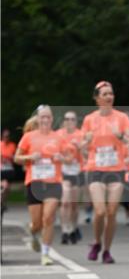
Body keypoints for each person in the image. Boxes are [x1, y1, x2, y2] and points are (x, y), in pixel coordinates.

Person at [81, 81, 129, 263]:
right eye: (104, 94)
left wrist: (119, 135)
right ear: (97, 98)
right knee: (100, 210)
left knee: (112, 212)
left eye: (111, 93)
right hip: (95, 168)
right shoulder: (89, 119)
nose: (109, 97)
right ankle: (96, 241)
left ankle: (106, 250)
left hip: (116, 170)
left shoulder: (121, 118)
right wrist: (85, 142)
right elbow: (82, 148)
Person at [14, 106, 69, 265]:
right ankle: (33, 233)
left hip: (53, 183)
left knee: (49, 217)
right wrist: (31, 156)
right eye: (42, 117)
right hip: (35, 183)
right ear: (38, 119)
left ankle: (45, 253)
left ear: (52, 119)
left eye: (48, 117)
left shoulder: (58, 137)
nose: (45, 120)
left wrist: (62, 158)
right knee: (37, 223)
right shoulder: (29, 137)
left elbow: (70, 157)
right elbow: (17, 158)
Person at [58, 111, 84, 243]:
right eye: (67, 119)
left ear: (76, 121)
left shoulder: (81, 135)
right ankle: (64, 230)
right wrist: (62, 158)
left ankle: (74, 228)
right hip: (63, 172)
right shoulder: (58, 135)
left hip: (77, 171)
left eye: (72, 119)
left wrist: (80, 148)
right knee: (65, 202)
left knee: (74, 204)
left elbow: (87, 154)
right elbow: (53, 152)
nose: (69, 121)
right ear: (63, 121)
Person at [1, 128, 18, 215]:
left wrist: (9, 158)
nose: (6, 138)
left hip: (10, 169)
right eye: (4, 136)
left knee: (7, 189)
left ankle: (3, 202)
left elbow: (15, 158)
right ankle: (1, 202)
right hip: (1, 169)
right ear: (2, 137)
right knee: (5, 186)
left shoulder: (12, 145)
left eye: (7, 136)